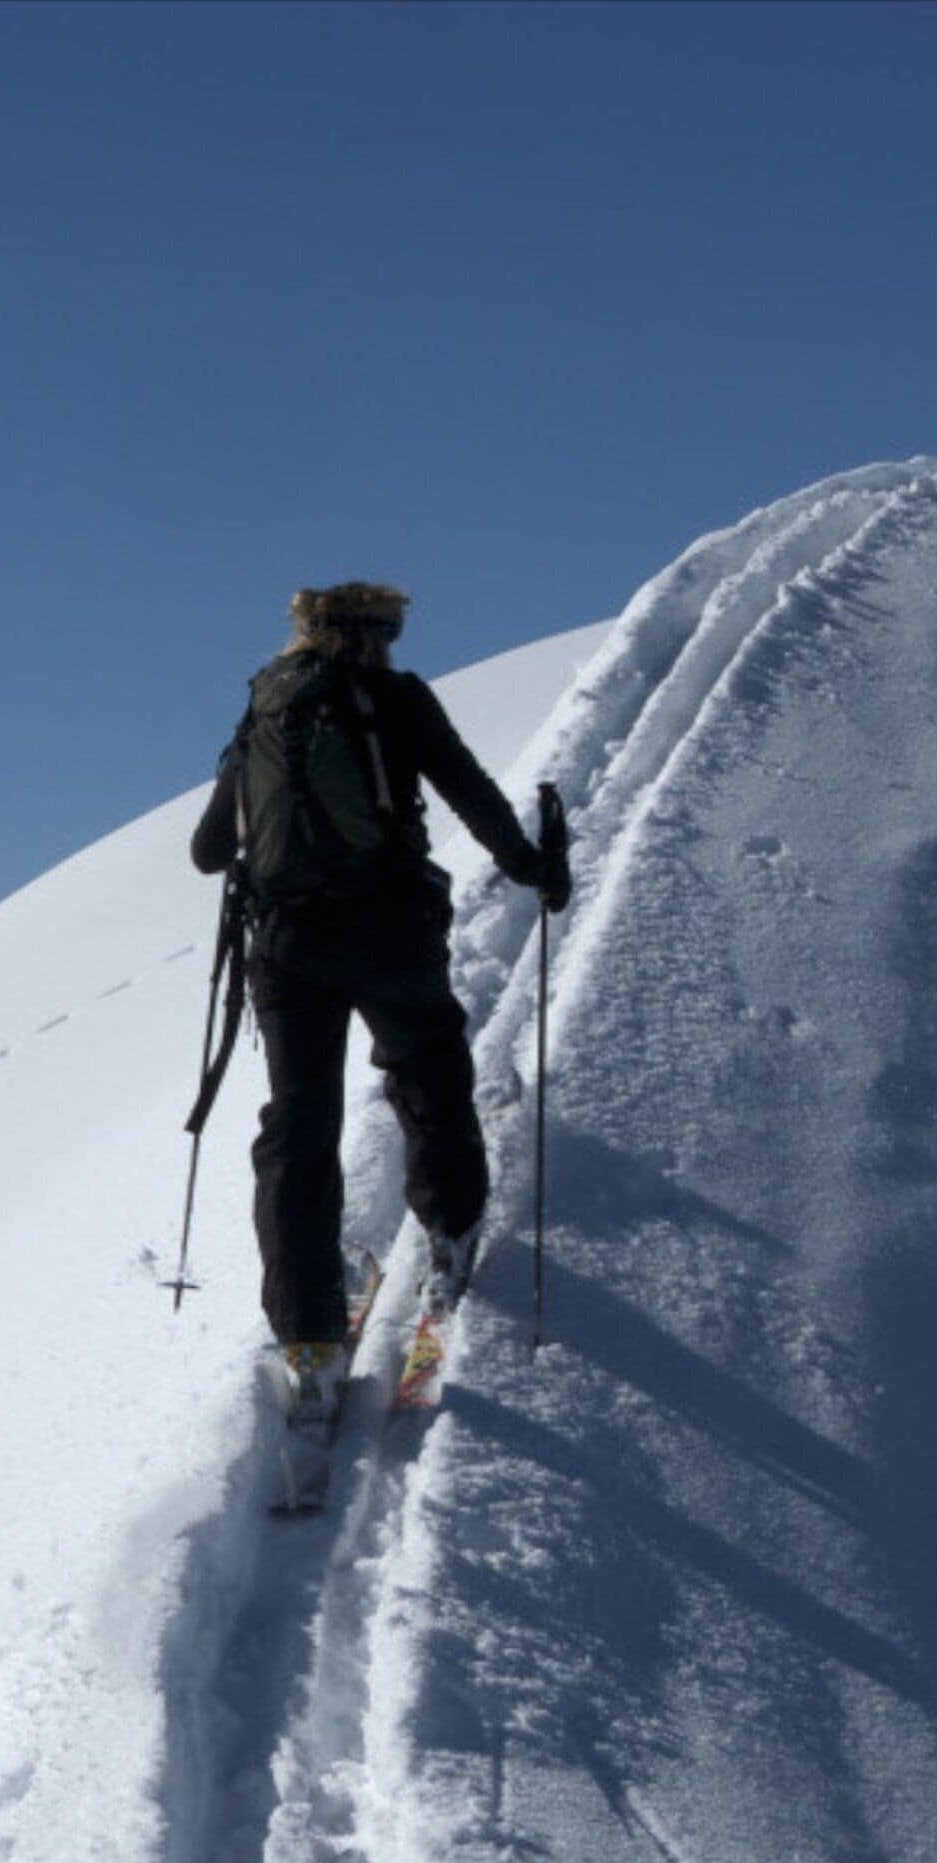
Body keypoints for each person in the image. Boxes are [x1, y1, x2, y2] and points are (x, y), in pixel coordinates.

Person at [187, 582, 569, 1435]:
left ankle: (307, 1340)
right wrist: (533, 868)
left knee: (299, 1123)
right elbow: (468, 791)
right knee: (427, 1065)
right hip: (390, 926)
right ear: (381, 636)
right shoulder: (397, 700)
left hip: (286, 945)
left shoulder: (266, 705)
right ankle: (451, 1234)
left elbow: (208, 851)